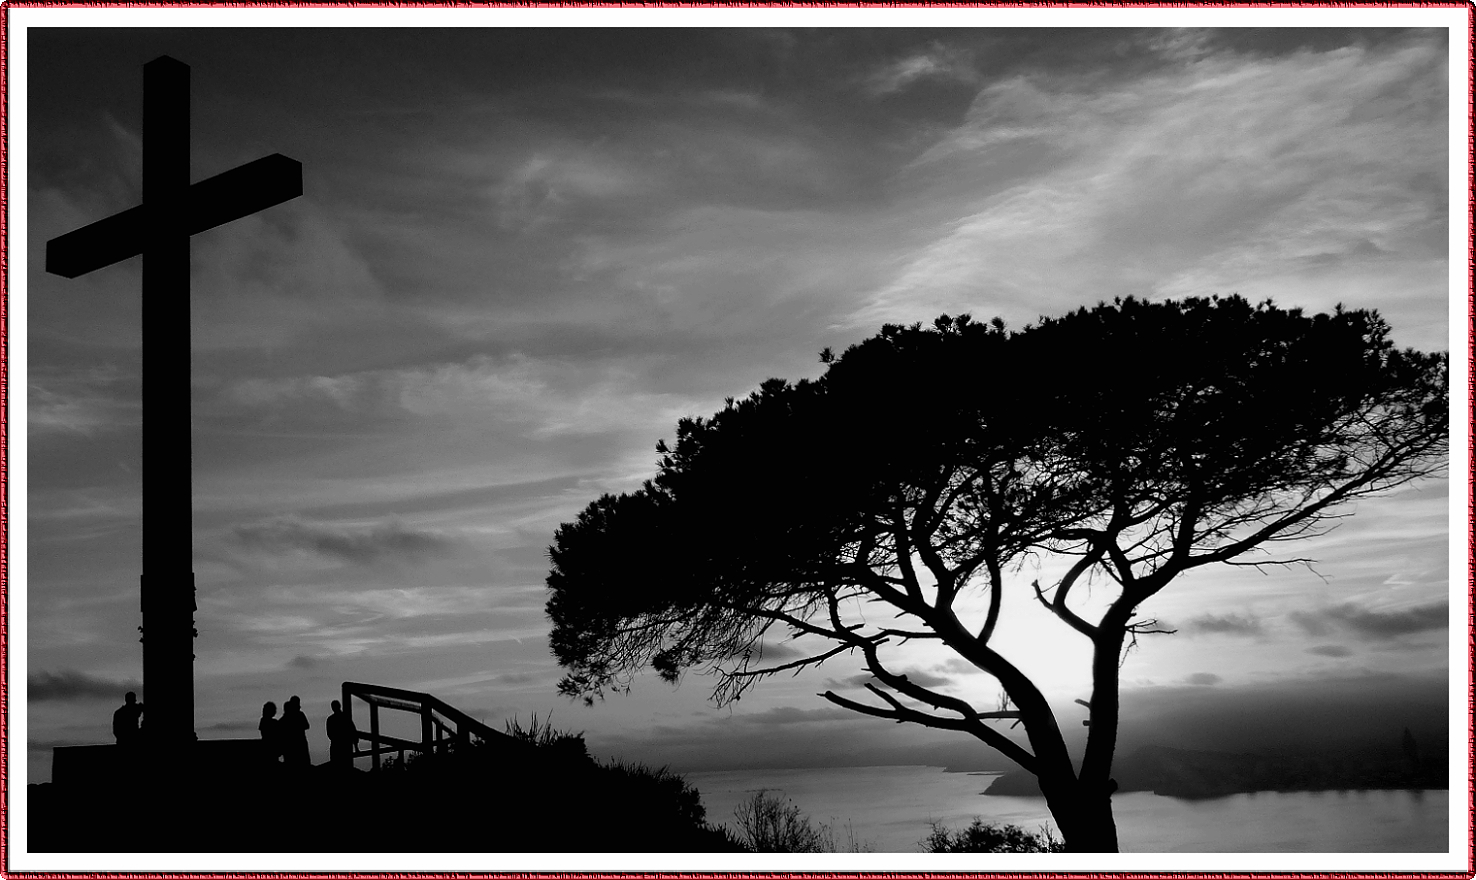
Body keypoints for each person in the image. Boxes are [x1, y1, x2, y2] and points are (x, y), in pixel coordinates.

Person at [279, 695, 311, 767]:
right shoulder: (295, 716)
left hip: (299, 742)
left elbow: (306, 726)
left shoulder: (299, 714)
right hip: (293, 744)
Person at [325, 700, 358, 769]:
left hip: (342, 746)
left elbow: (353, 731)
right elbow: (353, 731)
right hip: (341, 746)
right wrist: (356, 746)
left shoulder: (332, 719)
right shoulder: (344, 717)